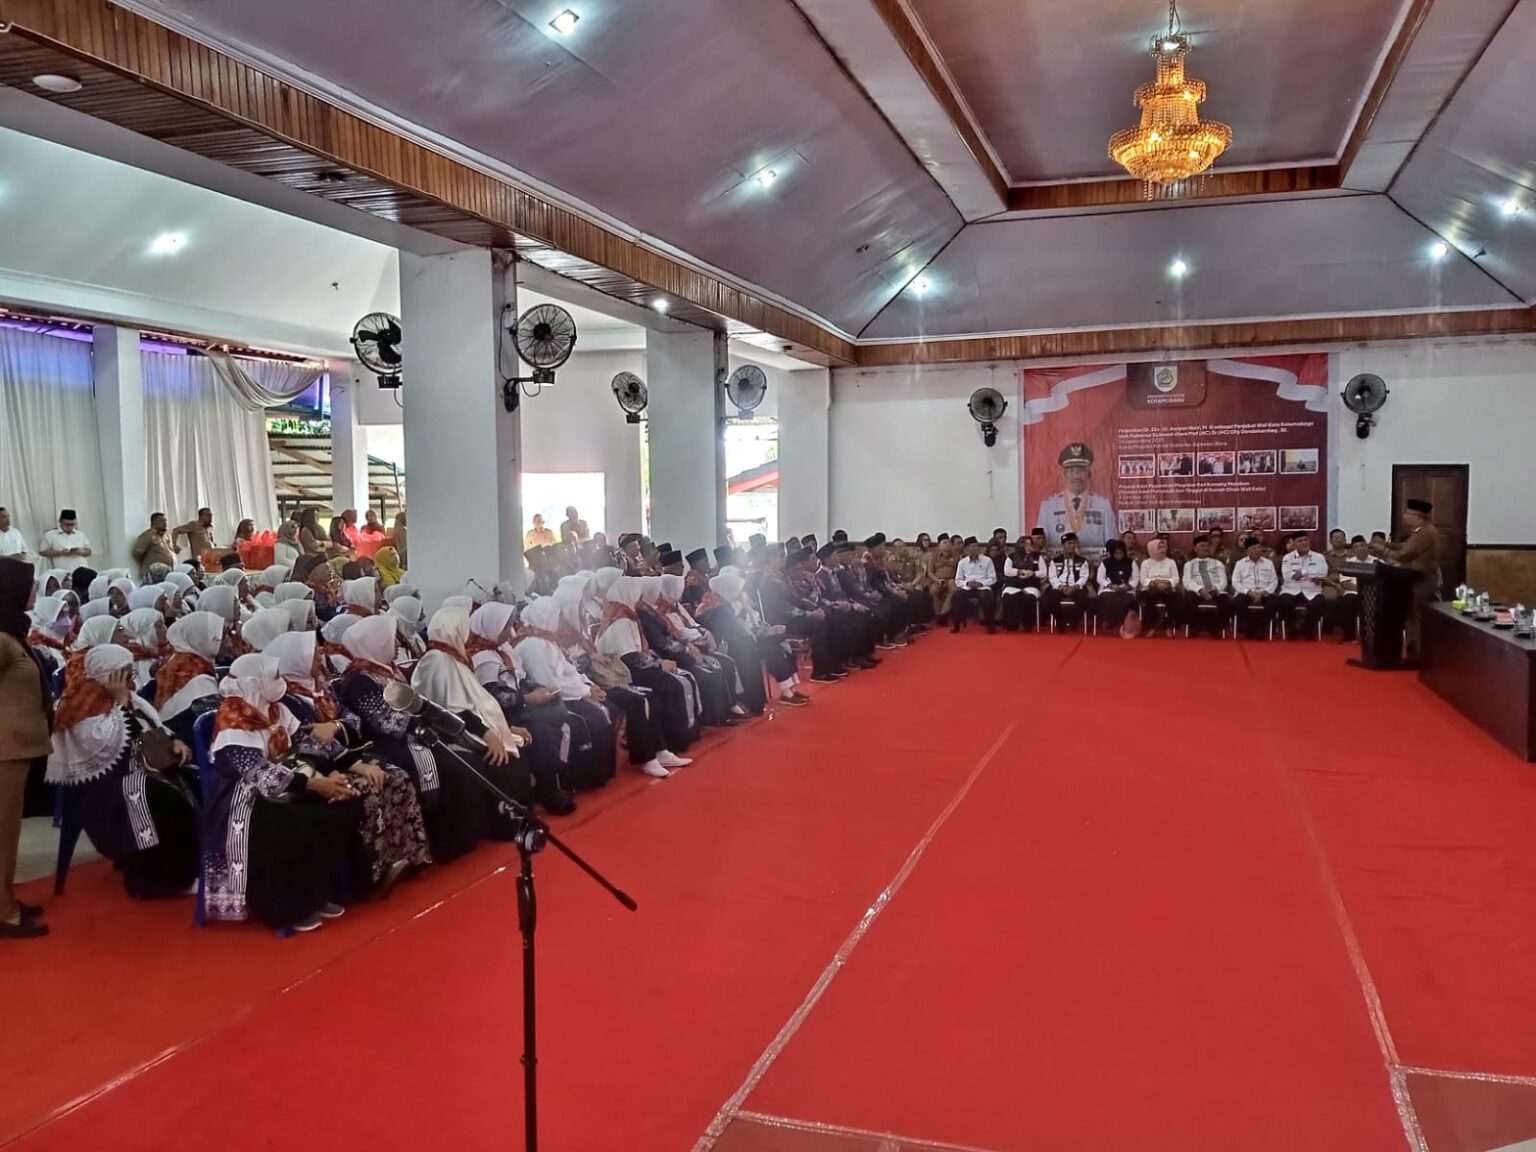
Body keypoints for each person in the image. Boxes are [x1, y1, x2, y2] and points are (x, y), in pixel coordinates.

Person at [203, 654, 369, 931]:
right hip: (243, 799)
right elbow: (258, 773)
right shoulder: (233, 718)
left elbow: (307, 740)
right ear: (254, 682)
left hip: (287, 782)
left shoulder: (272, 708)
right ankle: (288, 908)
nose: (280, 682)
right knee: (293, 823)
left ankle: (320, 892)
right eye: (273, 676)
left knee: (342, 805)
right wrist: (316, 785)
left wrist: (342, 769)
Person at [47, 643, 200, 900]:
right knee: (158, 798)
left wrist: (173, 740)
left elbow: (152, 726)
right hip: (103, 788)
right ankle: (152, 880)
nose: (131, 680)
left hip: (140, 770)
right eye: (124, 673)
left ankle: (188, 868)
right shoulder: (80, 704)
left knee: (189, 784)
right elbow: (113, 744)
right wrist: (121, 704)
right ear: (107, 673)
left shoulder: (129, 696)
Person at [0, 558, 53, 938]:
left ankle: (5, 898)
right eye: (29, 585)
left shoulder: (11, 631)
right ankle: (3, 912)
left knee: (8, 832)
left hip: (15, 748)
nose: (35, 592)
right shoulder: (1, 638)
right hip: (4, 749)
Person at [597, 575, 701, 755]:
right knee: (669, 686)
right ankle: (671, 742)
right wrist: (659, 664)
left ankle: (671, 741)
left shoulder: (626, 616)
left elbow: (641, 650)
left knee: (675, 680)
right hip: (626, 673)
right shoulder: (621, 620)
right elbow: (630, 657)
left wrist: (658, 662)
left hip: (634, 667)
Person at [1384, 498, 1442, 657]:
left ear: (1417, 516)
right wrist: (1387, 544)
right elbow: (1405, 546)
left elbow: (1405, 554)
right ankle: (1413, 651)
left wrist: (1383, 550)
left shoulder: (1426, 532)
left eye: (1407, 513)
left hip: (1421, 581)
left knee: (1417, 617)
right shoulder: (1419, 531)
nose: (1404, 516)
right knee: (1412, 616)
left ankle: (1418, 654)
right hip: (1414, 579)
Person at [1037, 443, 1115, 550]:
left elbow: (1112, 543)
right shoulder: (1048, 505)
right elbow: (1040, 545)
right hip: (1057, 563)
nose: (1077, 476)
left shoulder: (1103, 504)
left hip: (1095, 562)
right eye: (1071, 471)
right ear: (1064, 473)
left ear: (1089, 473)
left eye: (1081, 470)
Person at [1278, 533, 1328, 639]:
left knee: (1318, 603)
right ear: (1294, 544)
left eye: (1306, 540)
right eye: (1300, 541)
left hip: (1312, 590)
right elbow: (1288, 576)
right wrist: (1311, 573)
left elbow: (1322, 574)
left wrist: (1302, 572)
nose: (1304, 542)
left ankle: (1308, 630)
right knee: (1284, 602)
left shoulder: (1319, 557)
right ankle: (1293, 629)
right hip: (1291, 590)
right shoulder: (1288, 558)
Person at [1181, 535, 1231, 638]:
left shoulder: (1218, 564)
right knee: (1188, 598)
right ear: (1195, 549)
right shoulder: (1189, 565)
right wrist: (1200, 590)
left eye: (1207, 546)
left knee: (1226, 601)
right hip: (1197, 592)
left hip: (1215, 591)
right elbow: (1187, 582)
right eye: (1202, 546)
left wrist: (1214, 589)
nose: (1205, 548)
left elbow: (1223, 581)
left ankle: (1217, 628)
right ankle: (1194, 627)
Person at [1043, 533, 1094, 631]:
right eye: (1069, 543)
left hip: (1076, 587)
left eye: (1074, 543)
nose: (1072, 546)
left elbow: (1084, 577)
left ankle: (1074, 621)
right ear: (1063, 545)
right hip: (1059, 587)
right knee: (1049, 598)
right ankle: (1060, 621)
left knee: (1084, 599)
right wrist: (1061, 587)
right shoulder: (1055, 561)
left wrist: (1075, 587)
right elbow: (1052, 577)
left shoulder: (1082, 561)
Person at [1231, 536, 1279, 639]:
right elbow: (1236, 582)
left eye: (1259, 547)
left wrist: (1264, 592)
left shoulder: (1268, 563)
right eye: (1254, 548)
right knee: (1238, 602)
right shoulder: (1240, 564)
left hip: (1265, 592)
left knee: (1273, 602)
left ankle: (1262, 629)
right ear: (1247, 551)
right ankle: (1248, 628)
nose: (1258, 550)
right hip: (1246, 592)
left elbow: (1274, 581)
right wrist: (1248, 592)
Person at [1136, 536, 1181, 636]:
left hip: (1167, 589)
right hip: (1151, 589)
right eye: (1159, 548)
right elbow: (1143, 580)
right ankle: (1151, 627)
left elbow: (1176, 578)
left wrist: (1167, 583)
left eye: (1164, 547)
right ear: (1152, 549)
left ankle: (1168, 626)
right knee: (1147, 599)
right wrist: (1154, 583)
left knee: (1175, 599)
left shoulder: (1171, 562)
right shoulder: (1145, 563)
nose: (1162, 550)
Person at [951, 537, 997, 633]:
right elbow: (958, 580)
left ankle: (990, 625)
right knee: (956, 596)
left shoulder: (987, 560)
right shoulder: (962, 563)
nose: (976, 548)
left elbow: (993, 578)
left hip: (983, 587)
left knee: (986, 597)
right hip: (968, 588)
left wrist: (982, 583)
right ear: (967, 549)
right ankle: (956, 625)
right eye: (973, 546)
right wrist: (967, 583)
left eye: (977, 546)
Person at [1095, 540, 1139, 632]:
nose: (1119, 556)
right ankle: (1109, 621)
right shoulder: (1105, 563)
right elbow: (1100, 578)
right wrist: (1111, 586)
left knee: (1125, 600)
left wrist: (1128, 586)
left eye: (1121, 553)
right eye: (1116, 553)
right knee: (1107, 598)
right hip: (1109, 589)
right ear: (1112, 553)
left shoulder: (1131, 563)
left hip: (1127, 589)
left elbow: (1136, 579)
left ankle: (1121, 623)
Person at [132, 512, 179, 578]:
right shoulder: (148, 535)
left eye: (165, 520)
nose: (165, 523)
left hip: (169, 572)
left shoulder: (167, 536)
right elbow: (137, 553)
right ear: (153, 522)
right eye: (161, 521)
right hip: (155, 574)